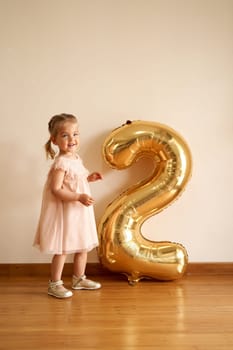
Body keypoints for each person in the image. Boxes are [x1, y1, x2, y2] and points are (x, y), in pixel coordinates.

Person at [33, 113, 103, 299]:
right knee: (63, 248)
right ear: (54, 139)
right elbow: (56, 189)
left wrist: (89, 178)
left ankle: (79, 278)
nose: (72, 139)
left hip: (79, 211)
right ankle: (54, 283)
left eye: (75, 134)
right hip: (67, 212)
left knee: (83, 246)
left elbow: (74, 180)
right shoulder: (61, 163)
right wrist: (78, 196)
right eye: (65, 135)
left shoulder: (76, 159)